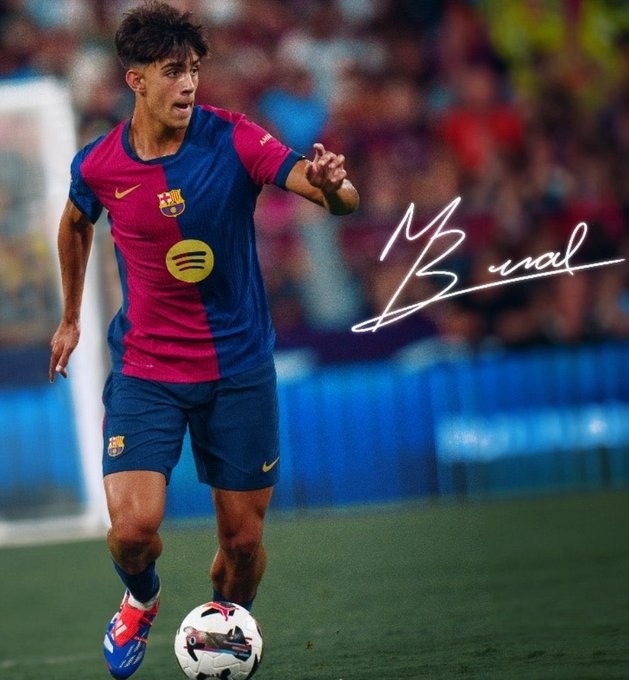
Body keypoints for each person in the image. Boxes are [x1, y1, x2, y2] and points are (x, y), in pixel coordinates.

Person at [47, 2, 359, 678]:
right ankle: (140, 599)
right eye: (172, 71)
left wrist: (333, 189)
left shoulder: (236, 139)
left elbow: (334, 196)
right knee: (133, 532)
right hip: (147, 370)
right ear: (135, 80)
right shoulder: (100, 164)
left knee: (242, 543)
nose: (188, 83)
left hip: (238, 369)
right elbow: (74, 224)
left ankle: (223, 636)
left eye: (193, 69)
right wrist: (70, 316)